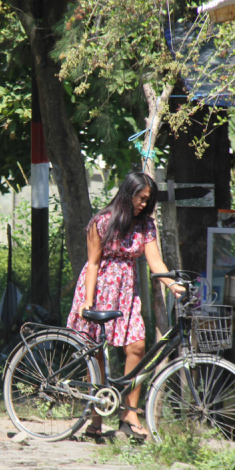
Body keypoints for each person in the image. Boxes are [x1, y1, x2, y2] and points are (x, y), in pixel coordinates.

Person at [66, 170, 183, 440]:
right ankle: (95, 420)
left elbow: (156, 263)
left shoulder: (146, 225)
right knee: (95, 355)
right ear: (128, 193)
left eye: (148, 200)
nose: (144, 204)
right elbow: (93, 263)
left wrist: (174, 286)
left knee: (137, 346)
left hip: (126, 293)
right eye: (141, 198)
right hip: (98, 289)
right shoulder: (102, 221)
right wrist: (87, 301)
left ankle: (129, 414)